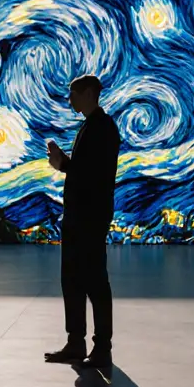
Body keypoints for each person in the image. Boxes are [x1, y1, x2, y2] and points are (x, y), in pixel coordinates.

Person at [44, 74, 122, 370]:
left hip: (89, 217)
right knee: (74, 280)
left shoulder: (101, 128)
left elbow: (92, 176)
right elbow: (87, 172)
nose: (70, 100)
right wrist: (66, 164)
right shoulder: (92, 127)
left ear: (89, 93)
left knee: (94, 282)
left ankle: (101, 346)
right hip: (81, 217)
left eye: (73, 94)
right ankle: (76, 342)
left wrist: (64, 164)